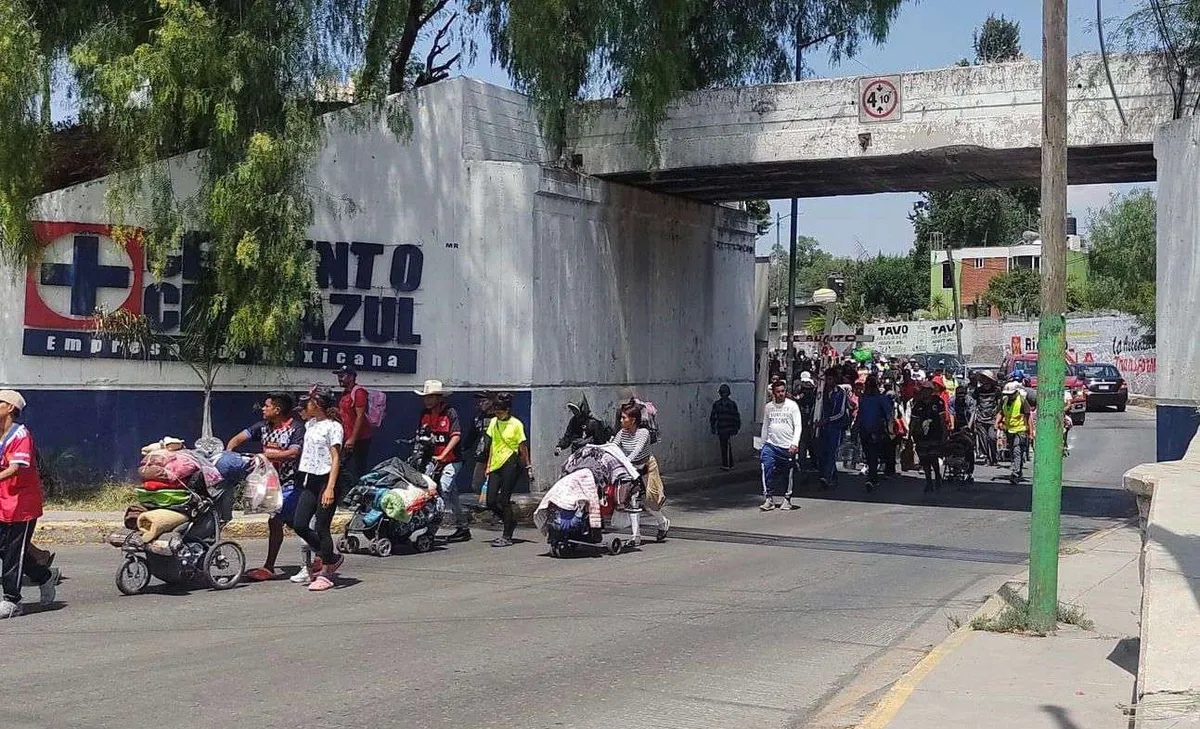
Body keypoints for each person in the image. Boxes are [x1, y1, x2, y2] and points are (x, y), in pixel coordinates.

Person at [226, 392, 305, 581]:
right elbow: (237, 439)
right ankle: (320, 554)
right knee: (290, 522)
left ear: (277, 410)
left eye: (267, 406)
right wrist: (228, 455)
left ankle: (272, 566)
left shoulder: (296, 429)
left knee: (277, 520)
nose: (263, 409)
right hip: (269, 483)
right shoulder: (261, 427)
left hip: (292, 483)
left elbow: (293, 453)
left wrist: (262, 456)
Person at [0, 390, 58, 618]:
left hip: (21, 505)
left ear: (10, 408)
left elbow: (15, 468)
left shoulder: (20, 435)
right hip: (3, 501)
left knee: (14, 551)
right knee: (4, 550)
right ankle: (44, 576)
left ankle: (12, 600)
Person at [291, 387, 346, 591]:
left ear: (318, 404)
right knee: (300, 524)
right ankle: (330, 556)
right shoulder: (310, 424)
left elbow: (336, 459)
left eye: (310, 401)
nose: (307, 405)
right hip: (311, 479)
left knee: (322, 526)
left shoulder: (333, 427)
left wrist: (330, 488)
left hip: (327, 480)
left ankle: (326, 572)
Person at [415, 379, 471, 542]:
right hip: (432, 460)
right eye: (426, 397)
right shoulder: (424, 414)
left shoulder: (450, 412)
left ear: (439, 397)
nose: (427, 400)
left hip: (452, 460)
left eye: (431, 397)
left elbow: (456, 437)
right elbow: (420, 436)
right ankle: (463, 527)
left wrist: (442, 455)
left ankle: (433, 528)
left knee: (443, 489)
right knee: (449, 493)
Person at [612, 402, 671, 535]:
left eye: (624, 418)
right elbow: (613, 447)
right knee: (632, 500)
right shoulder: (621, 433)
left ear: (633, 420)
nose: (621, 421)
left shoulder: (643, 433)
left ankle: (662, 522)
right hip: (631, 469)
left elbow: (637, 451)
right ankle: (635, 535)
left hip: (647, 468)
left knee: (649, 502)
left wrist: (625, 460)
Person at [482, 393, 533, 547]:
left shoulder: (516, 424)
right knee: (490, 501)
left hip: (511, 463)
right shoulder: (493, 423)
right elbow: (492, 445)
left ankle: (507, 535)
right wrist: (488, 465)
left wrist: (528, 466)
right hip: (496, 464)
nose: (497, 414)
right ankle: (509, 521)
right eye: (495, 412)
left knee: (505, 499)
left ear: (507, 410)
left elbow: (523, 447)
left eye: (500, 411)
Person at [759, 380, 802, 510]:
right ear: (773, 393)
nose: (781, 394)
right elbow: (766, 426)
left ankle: (787, 498)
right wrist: (762, 444)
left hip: (787, 446)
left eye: (783, 391)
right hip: (771, 445)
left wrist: (795, 443)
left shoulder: (792, 406)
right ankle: (768, 498)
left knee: (787, 473)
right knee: (767, 468)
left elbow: (798, 425)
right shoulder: (768, 407)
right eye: (778, 392)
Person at [333, 365, 373, 480]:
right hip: (347, 437)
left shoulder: (359, 392)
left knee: (357, 468)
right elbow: (346, 415)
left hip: (360, 438)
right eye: (338, 376)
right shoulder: (345, 393)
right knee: (342, 466)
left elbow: (360, 416)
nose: (340, 378)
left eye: (342, 376)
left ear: (352, 377)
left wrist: (353, 439)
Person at [855, 375, 893, 491]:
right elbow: (860, 415)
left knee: (873, 454)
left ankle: (872, 478)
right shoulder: (864, 399)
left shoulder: (880, 398)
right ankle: (873, 476)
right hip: (865, 430)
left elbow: (889, 415)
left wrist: (890, 429)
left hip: (876, 429)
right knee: (869, 454)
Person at [910, 381, 947, 492]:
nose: (925, 392)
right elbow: (914, 420)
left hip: (935, 434)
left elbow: (942, 419)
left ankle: (937, 476)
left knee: (933, 457)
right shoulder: (918, 404)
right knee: (924, 459)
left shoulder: (938, 402)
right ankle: (928, 481)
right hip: (922, 436)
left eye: (928, 390)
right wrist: (910, 435)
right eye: (924, 390)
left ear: (931, 391)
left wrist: (944, 434)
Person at [818, 368, 850, 490]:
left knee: (832, 452)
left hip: (836, 427)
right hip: (823, 427)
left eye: (830, 378)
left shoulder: (840, 393)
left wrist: (828, 420)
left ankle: (827, 477)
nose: (828, 381)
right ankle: (832, 476)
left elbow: (841, 412)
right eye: (827, 378)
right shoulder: (822, 392)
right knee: (823, 452)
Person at [996, 380, 1033, 484]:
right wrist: (997, 422)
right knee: (1013, 451)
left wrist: (1030, 432)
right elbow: (1000, 412)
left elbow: (1028, 417)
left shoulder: (1022, 401)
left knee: (1017, 450)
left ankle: (1016, 473)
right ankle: (1019, 470)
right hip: (1009, 430)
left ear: (1016, 392)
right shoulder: (1004, 400)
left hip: (1020, 430)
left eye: (1011, 394)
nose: (1010, 396)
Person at [461, 391, 494, 499]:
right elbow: (472, 435)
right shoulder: (479, 418)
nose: (481, 404)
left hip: (497, 457)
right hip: (482, 455)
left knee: (495, 485)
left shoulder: (498, 418)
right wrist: (464, 449)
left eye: (484, 401)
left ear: (492, 401)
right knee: (477, 484)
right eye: (479, 402)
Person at [709, 384, 742, 470]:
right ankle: (727, 463)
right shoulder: (717, 404)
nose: (724, 394)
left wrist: (736, 427)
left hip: (729, 427)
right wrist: (713, 427)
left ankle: (728, 464)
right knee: (724, 445)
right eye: (722, 392)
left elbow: (736, 417)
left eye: (725, 392)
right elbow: (713, 417)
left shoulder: (731, 404)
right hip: (721, 428)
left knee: (727, 445)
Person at [973, 371, 1001, 466]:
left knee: (992, 438)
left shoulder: (997, 390)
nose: (985, 381)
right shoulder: (978, 391)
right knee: (983, 439)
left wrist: (999, 418)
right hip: (980, 418)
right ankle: (987, 457)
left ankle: (994, 456)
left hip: (992, 418)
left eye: (987, 379)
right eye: (984, 379)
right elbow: (974, 405)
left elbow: (999, 405)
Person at [794, 371, 819, 469]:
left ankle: (810, 461)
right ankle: (804, 462)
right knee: (805, 441)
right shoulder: (800, 395)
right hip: (802, 419)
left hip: (811, 418)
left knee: (809, 441)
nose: (807, 388)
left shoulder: (814, 394)